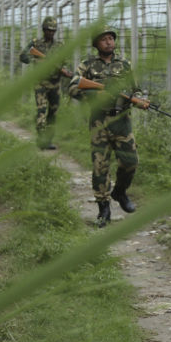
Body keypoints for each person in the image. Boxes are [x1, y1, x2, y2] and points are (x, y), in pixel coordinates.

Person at [67, 27, 145, 227]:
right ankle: (103, 208)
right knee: (100, 166)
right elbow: (73, 86)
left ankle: (120, 191)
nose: (109, 42)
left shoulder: (125, 65)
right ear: (96, 44)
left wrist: (140, 99)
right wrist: (95, 95)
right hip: (99, 122)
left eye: (111, 38)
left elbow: (136, 89)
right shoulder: (87, 66)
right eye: (104, 39)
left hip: (122, 122)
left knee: (131, 162)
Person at [19, 16, 72, 150]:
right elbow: (23, 57)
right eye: (48, 30)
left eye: (53, 31)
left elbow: (64, 63)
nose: (50, 33)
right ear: (43, 30)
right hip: (40, 83)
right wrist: (37, 60)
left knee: (53, 113)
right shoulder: (35, 43)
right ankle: (41, 139)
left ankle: (48, 139)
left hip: (55, 83)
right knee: (41, 111)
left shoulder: (60, 46)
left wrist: (63, 70)